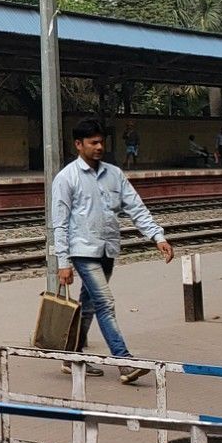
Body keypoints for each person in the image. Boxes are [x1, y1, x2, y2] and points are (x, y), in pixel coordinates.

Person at [50, 116, 175, 386]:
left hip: (108, 249)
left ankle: (71, 356)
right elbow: (59, 223)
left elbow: (136, 207)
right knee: (105, 303)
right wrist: (63, 262)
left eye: (101, 142)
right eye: (93, 142)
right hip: (82, 250)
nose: (99, 147)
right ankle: (124, 361)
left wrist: (157, 236)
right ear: (78, 145)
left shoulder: (114, 174)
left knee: (89, 306)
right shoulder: (66, 178)